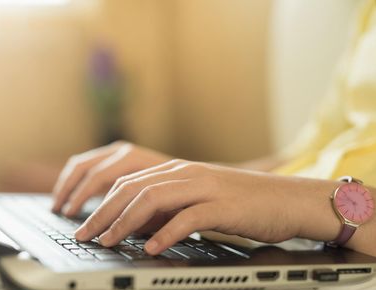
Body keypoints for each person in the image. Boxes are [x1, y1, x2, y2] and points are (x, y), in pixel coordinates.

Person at [51, 0, 376, 258]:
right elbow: (304, 157)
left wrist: (326, 211)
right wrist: (183, 178)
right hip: (306, 241)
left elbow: (294, 196)